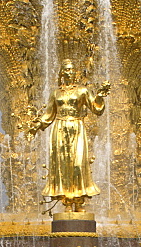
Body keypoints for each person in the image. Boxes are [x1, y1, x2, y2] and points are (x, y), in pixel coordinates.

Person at [27, 59, 110, 213]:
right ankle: (67, 203)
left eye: (72, 69)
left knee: (78, 164)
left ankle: (79, 201)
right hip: (59, 129)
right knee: (63, 166)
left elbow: (96, 109)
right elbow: (48, 115)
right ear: (62, 73)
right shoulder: (56, 93)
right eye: (66, 70)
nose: (69, 72)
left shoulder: (82, 91)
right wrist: (36, 127)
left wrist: (99, 96)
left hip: (77, 128)